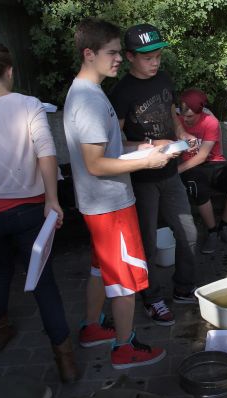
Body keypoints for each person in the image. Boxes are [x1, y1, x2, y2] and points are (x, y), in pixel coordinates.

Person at [0, 43, 77, 383]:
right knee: (43, 280)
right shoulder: (28, 104)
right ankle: (65, 361)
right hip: (28, 209)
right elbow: (46, 153)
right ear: (10, 71)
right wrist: (53, 200)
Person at [64, 18, 172, 369]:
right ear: (89, 53)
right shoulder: (91, 101)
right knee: (124, 280)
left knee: (101, 269)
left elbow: (107, 149)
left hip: (97, 204)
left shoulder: (86, 92)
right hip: (110, 205)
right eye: (112, 53)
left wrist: (140, 146)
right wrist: (147, 163)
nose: (118, 59)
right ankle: (124, 348)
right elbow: (96, 164)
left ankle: (92, 327)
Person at [108, 23, 200, 326]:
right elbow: (114, 142)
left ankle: (185, 288)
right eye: (148, 58)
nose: (155, 62)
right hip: (141, 179)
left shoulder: (163, 78)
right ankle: (152, 298)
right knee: (146, 242)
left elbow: (172, 113)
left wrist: (182, 133)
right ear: (131, 57)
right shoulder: (120, 92)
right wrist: (150, 145)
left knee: (188, 232)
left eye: (158, 56)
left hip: (171, 173)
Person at [177, 88, 227, 253]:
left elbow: (202, 156)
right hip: (191, 167)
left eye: (190, 117)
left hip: (214, 164)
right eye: (183, 115)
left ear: (200, 112)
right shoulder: (177, 121)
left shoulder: (210, 122)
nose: (186, 120)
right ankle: (212, 231)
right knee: (197, 187)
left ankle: (224, 225)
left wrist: (176, 170)